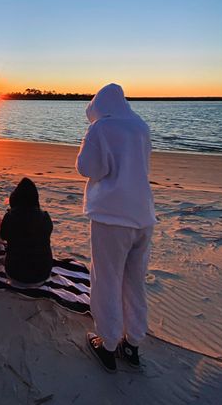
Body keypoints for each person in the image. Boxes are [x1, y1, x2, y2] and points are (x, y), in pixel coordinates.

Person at [76, 83, 156, 373]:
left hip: (112, 217)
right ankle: (132, 343)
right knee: (134, 281)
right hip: (143, 215)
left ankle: (107, 343)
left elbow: (87, 168)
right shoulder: (141, 127)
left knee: (107, 280)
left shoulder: (101, 129)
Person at [0, 178, 53, 285]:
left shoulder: (10, 217)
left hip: (15, 273)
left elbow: (3, 236)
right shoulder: (44, 217)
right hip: (42, 274)